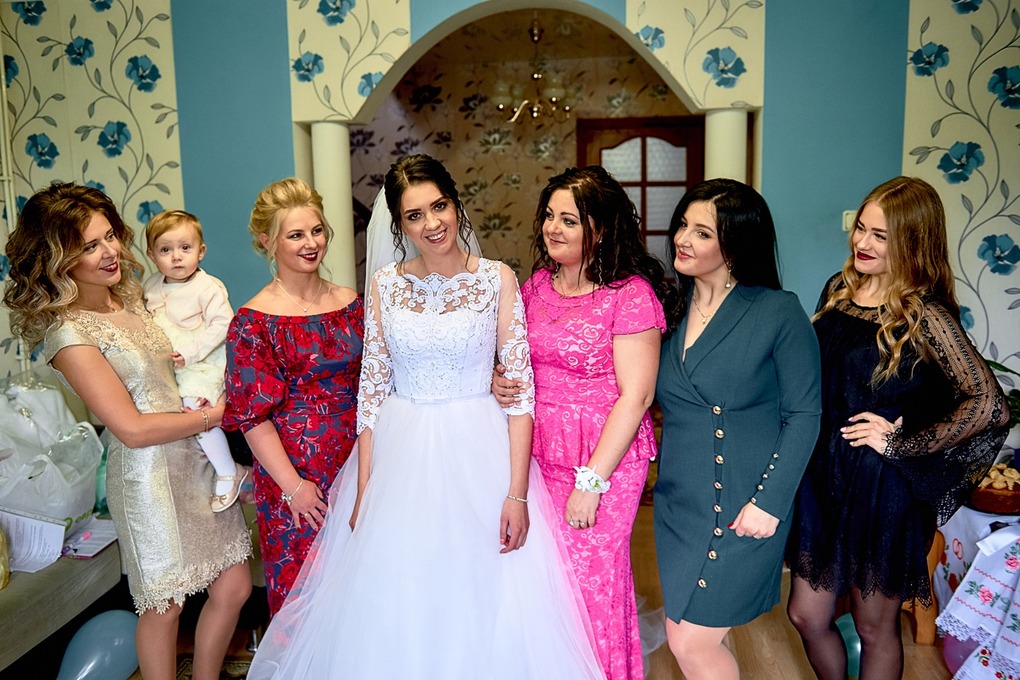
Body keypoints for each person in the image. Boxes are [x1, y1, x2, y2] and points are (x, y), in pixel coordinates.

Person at [246, 154, 604, 679]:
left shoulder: (497, 279)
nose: (432, 223)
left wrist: (516, 493)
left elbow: (521, 394)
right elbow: (372, 391)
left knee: (482, 591)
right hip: (401, 454)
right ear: (399, 225)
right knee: (401, 592)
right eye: (414, 215)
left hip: (479, 448)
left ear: (456, 205)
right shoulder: (385, 285)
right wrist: (365, 490)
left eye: (439, 207)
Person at [3, 184, 252, 680]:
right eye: (89, 246)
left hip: (195, 458)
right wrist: (217, 416)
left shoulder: (136, 297)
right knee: (165, 606)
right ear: (58, 261)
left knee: (235, 585)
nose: (110, 251)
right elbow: (132, 429)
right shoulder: (69, 334)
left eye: (109, 237)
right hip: (148, 477)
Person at [785, 176, 1009, 680]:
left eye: (880, 236)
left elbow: (990, 406)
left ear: (912, 241)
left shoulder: (926, 313)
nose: (862, 242)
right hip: (823, 475)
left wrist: (902, 443)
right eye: (861, 229)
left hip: (879, 485)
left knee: (873, 626)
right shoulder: (839, 289)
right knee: (806, 614)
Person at [492, 166, 671, 679]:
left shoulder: (630, 295)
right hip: (539, 452)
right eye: (550, 216)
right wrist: (498, 380)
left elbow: (637, 397)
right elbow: (517, 361)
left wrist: (591, 482)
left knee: (591, 584)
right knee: (541, 582)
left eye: (568, 220)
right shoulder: (536, 287)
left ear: (602, 228)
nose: (553, 228)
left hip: (602, 460)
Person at [653, 178, 821, 680]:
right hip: (678, 505)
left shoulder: (777, 311)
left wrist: (770, 502)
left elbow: (804, 414)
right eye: (684, 225)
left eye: (702, 232)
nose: (683, 238)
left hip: (745, 502)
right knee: (700, 632)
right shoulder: (668, 308)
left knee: (689, 642)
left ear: (735, 245)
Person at [222, 178, 363, 616]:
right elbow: (252, 417)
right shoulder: (252, 322)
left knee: (363, 589)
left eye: (317, 231)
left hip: (360, 466)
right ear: (268, 241)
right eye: (296, 234)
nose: (311, 243)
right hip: (296, 478)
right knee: (306, 600)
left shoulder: (353, 304)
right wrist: (294, 487)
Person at [143, 209, 246, 513]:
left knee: (194, 409)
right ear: (152, 255)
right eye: (166, 250)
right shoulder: (151, 285)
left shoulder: (207, 287)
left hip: (204, 363)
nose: (176, 257)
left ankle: (229, 470)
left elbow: (223, 325)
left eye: (185, 248)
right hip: (173, 364)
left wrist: (190, 352)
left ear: (200, 252)